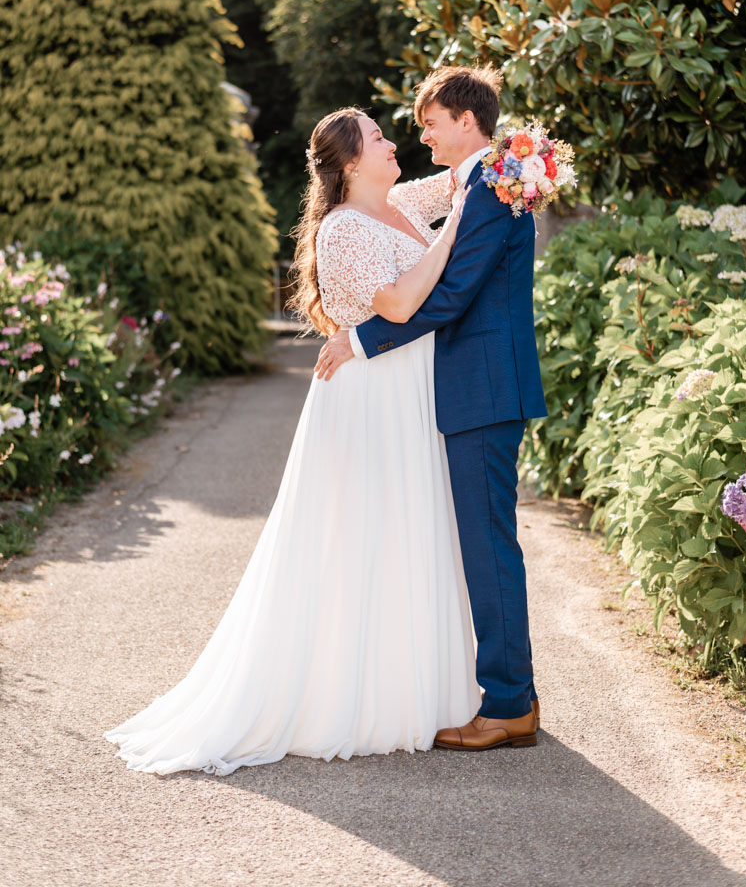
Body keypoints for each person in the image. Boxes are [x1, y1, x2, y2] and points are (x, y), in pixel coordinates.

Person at [104, 106, 482, 774]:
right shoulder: (342, 230)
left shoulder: (399, 202)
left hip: (412, 393)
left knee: (412, 528)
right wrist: (451, 233)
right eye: (378, 137)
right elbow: (397, 305)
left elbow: (463, 178)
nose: (392, 142)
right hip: (369, 401)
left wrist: (520, 157)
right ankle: (357, 697)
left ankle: (419, 687)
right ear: (350, 163)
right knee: (362, 538)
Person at [315, 64, 547, 751]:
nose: (421, 136)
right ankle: (512, 696)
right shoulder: (485, 180)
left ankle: (508, 704)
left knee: (487, 546)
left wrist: (362, 339)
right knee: (477, 543)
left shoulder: (491, 186)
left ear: (465, 121)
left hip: (482, 387)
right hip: (476, 386)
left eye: (431, 123)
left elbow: (451, 296)